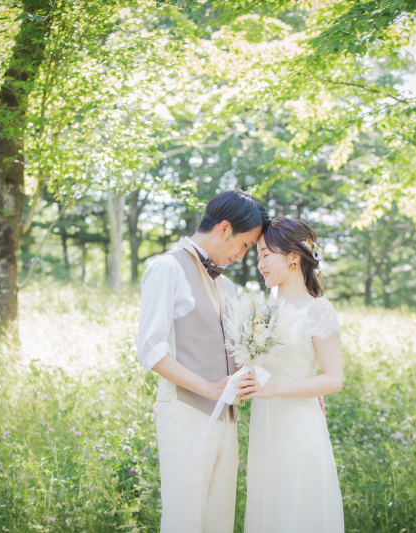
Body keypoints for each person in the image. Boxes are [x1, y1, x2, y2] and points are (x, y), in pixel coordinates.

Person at [136, 190, 269, 533]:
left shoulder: (228, 287)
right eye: (244, 244)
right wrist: (208, 388)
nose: (242, 256)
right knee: (186, 519)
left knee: (219, 520)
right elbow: (151, 350)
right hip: (185, 413)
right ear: (224, 228)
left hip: (227, 418)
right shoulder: (167, 268)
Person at [236, 216, 345, 533]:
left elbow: (333, 380)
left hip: (299, 428)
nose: (259, 264)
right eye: (257, 256)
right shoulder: (262, 309)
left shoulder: (318, 310)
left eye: (266, 254)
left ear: (294, 257)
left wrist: (276, 389)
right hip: (265, 428)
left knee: (296, 512)